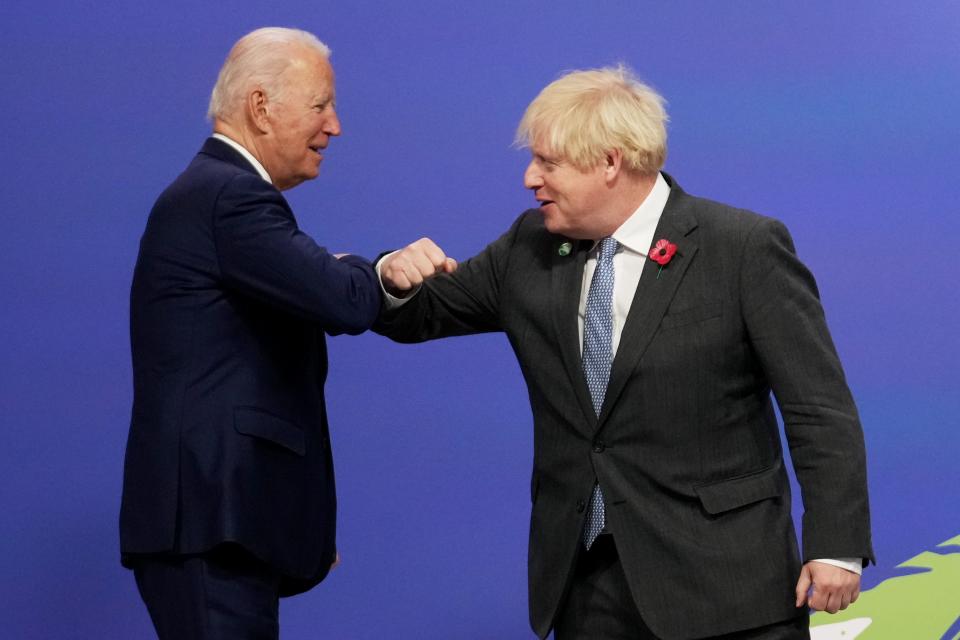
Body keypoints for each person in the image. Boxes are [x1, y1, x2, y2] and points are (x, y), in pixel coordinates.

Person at [375, 66, 873, 639]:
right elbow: (421, 312)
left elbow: (819, 408)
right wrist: (392, 276)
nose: (530, 178)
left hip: (730, 587)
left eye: (548, 163)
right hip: (589, 590)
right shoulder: (528, 248)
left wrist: (837, 545)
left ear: (610, 162)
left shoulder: (741, 248)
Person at [119, 27, 382, 639]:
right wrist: (382, 269)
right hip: (213, 526)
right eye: (321, 106)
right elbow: (344, 301)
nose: (335, 126)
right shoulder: (230, 196)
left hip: (222, 527)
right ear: (261, 108)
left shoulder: (211, 194)